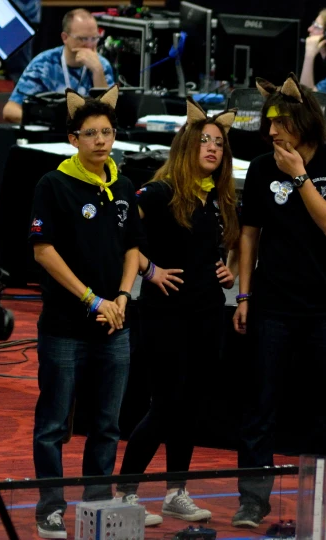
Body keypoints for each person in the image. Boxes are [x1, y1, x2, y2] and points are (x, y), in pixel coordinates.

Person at [231, 73, 326, 528]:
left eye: (279, 123)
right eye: (269, 124)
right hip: (272, 304)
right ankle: (252, 498)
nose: (270, 132)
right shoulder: (262, 167)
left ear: (303, 122)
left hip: (323, 307)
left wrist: (300, 176)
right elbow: (249, 234)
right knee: (260, 403)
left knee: (325, 403)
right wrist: (244, 294)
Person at [28, 85, 144, 539]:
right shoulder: (53, 184)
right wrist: (90, 298)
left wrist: (120, 297)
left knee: (107, 424)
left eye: (107, 132)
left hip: (115, 325)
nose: (101, 140)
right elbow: (42, 251)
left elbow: (133, 247)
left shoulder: (123, 184)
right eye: (91, 133)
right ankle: (50, 507)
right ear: (73, 138)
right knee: (54, 424)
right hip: (64, 326)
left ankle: (97, 504)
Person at [117, 99, 239, 526]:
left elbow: (221, 247)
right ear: (186, 146)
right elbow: (123, 226)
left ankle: (176, 492)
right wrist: (148, 271)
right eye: (204, 140)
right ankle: (126, 493)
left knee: (190, 404)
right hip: (164, 316)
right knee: (165, 404)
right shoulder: (162, 190)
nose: (212, 148)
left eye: (219, 144)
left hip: (207, 314)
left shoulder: (216, 197)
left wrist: (227, 270)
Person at [3, 9, 115, 125]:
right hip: (50, 134)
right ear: (65, 37)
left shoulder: (102, 65)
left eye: (94, 38)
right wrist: (47, 123)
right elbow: (10, 110)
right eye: (83, 39)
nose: (90, 45)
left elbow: (109, 116)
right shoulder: (43, 64)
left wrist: (97, 72)